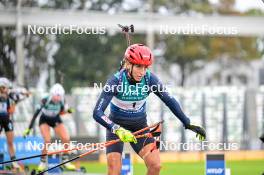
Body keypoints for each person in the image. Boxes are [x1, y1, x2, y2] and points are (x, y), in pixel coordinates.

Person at [93, 43, 206, 175]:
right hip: (117, 127)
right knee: (114, 172)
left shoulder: (149, 79)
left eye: (146, 67)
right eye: (139, 66)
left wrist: (187, 123)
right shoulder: (115, 81)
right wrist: (116, 129)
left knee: (155, 166)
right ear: (128, 64)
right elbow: (97, 112)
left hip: (139, 126)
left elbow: (169, 100)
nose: (142, 72)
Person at [23, 83, 75, 172]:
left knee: (66, 138)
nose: (58, 98)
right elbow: (36, 114)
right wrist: (29, 128)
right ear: (52, 94)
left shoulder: (62, 100)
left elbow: (62, 112)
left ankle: (65, 160)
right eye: (56, 96)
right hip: (44, 119)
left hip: (55, 119)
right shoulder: (45, 99)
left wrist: (68, 111)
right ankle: (42, 162)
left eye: (60, 96)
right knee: (47, 140)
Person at [0, 77, 30, 170]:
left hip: (7, 119)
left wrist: (24, 93)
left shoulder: (11, 95)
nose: (5, 90)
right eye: (3, 88)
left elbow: (25, 94)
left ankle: (13, 162)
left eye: (5, 88)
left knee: (10, 142)